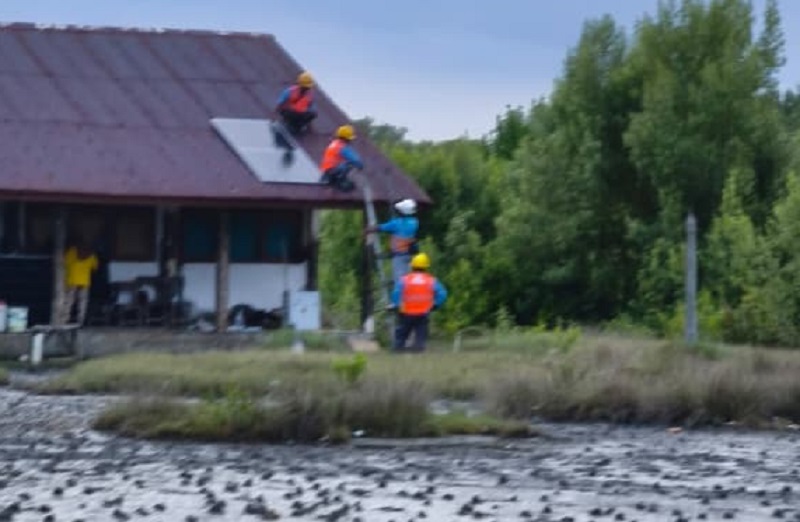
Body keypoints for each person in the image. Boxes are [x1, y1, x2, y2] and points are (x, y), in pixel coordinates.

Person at [390, 253, 447, 352]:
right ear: (426, 267)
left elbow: (396, 293)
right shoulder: (431, 280)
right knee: (420, 340)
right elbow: (442, 293)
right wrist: (435, 304)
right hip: (423, 314)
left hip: (406, 313)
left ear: (412, 266)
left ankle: (399, 350)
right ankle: (418, 350)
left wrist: (397, 305)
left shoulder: (405, 279)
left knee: (401, 337)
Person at [365, 199, 419, 283]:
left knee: (400, 282)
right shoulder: (415, 222)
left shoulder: (396, 223)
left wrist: (368, 229)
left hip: (399, 256)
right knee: (408, 278)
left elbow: (380, 228)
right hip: (410, 254)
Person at [60, 241, 98, 325]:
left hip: (72, 280)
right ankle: (80, 320)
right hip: (85, 281)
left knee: (69, 301)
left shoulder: (72, 251)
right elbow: (95, 267)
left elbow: (65, 263)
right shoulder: (90, 254)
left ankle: (65, 319)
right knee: (83, 301)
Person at [319, 124, 364, 192]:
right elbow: (357, 161)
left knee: (344, 163)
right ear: (346, 138)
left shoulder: (333, 144)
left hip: (326, 173)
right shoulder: (342, 147)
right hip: (335, 172)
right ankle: (341, 182)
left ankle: (331, 181)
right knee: (351, 164)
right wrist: (360, 167)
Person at [275, 71, 317, 135]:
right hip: (289, 113)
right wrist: (275, 116)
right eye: (305, 87)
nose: (306, 88)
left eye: (307, 87)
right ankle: (289, 124)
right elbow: (280, 103)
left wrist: (310, 127)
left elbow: (311, 109)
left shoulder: (309, 95)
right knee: (290, 113)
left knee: (312, 114)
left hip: (301, 115)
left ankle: (299, 126)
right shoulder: (290, 91)